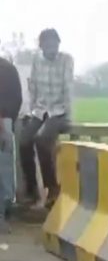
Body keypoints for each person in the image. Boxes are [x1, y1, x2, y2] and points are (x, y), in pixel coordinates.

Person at [19, 28, 73, 209]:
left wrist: (67, 114)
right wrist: (31, 109)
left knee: (42, 140)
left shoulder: (66, 59)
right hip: (40, 110)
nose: (52, 48)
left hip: (58, 110)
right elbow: (32, 86)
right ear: (41, 46)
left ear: (59, 43)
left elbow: (68, 86)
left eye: (55, 44)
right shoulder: (36, 60)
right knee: (24, 141)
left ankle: (52, 188)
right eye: (47, 44)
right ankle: (32, 189)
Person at [0, 55, 22, 232]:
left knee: (4, 167)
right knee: (5, 167)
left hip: (4, 121)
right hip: (6, 121)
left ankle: (4, 211)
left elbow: (16, 98)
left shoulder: (6, 69)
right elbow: (18, 99)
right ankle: (5, 209)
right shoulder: (9, 68)